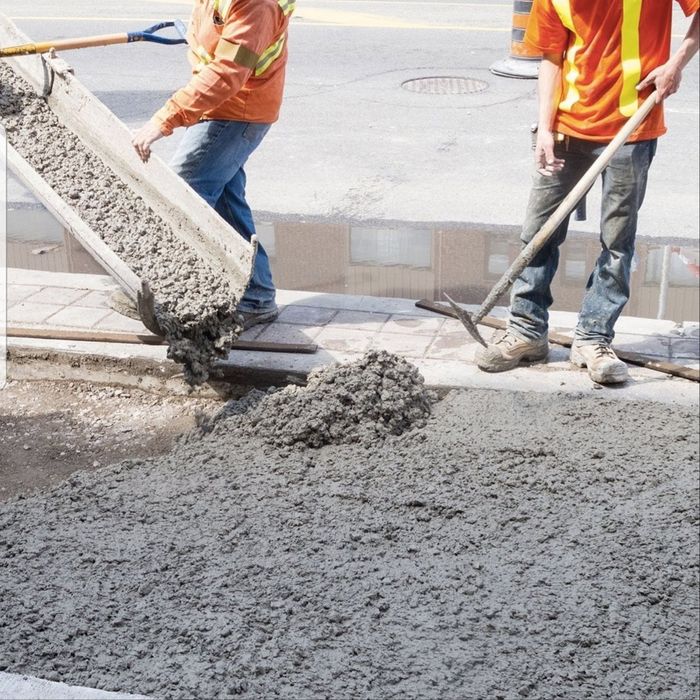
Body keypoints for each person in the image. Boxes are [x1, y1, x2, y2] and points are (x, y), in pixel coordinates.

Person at [476, 1, 699, 384]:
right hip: (567, 127)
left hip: (632, 126)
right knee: (538, 233)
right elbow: (551, 59)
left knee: (617, 242)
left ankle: (593, 339)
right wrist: (545, 129)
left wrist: (676, 63)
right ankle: (527, 331)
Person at [132, 0, 296, 329]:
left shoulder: (257, 5)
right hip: (223, 106)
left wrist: (166, 118)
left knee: (183, 197)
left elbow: (227, 72)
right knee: (225, 205)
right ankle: (257, 294)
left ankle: (169, 293)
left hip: (236, 111)